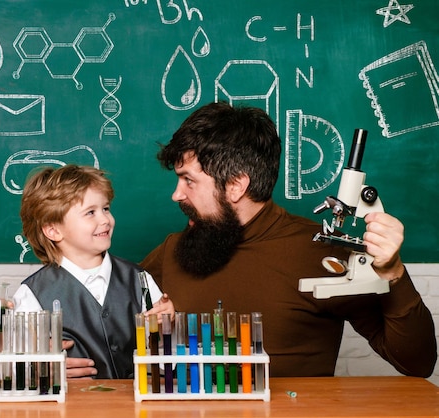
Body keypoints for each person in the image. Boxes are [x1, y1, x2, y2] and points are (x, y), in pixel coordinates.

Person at [141, 102, 437, 377]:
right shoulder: (173, 250)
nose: (177, 195)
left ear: (235, 185)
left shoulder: (319, 252)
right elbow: (108, 315)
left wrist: (393, 273)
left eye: (189, 180)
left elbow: (417, 362)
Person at [0, 165, 174, 379]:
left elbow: (166, 365)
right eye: (90, 212)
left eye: (106, 209)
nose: (105, 220)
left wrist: (168, 328)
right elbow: (13, 369)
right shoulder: (32, 294)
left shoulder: (140, 280)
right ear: (53, 230)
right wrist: (41, 369)